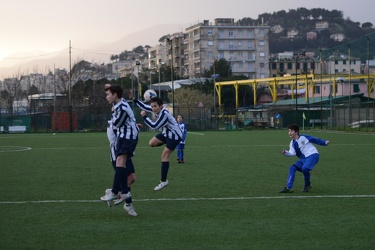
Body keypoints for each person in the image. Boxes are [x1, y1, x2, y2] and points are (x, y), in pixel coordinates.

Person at [129, 90, 182, 191]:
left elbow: (154, 126)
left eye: (155, 106)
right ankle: (169, 146)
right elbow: (145, 107)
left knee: (164, 156)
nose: (153, 108)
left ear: (161, 106)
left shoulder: (164, 114)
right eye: (152, 106)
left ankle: (163, 181)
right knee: (151, 143)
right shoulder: (156, 109)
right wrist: (134, 99)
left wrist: (144, 117)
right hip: (167, 133)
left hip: (174, 136)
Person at [100, 85, 140, 208]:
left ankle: (115, 192)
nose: (106, 97)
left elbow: (117, 123)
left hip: (128, 137)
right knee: (120, 164)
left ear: (115, 95)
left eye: (108, 94)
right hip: (125, 136)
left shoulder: (121, 107)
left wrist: (113, 120)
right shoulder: (118, 105)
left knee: (120, 162)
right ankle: (121, 193)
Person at [279, 124, 330, 193]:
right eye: (289, 131)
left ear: (296, 132)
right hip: (304, 159)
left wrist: (324, 142)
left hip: (313, 155)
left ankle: (307, 185)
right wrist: (285, 153)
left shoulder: (303, 137)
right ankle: (289, 188)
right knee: (292, 168)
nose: (289, 133)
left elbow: (314, 139)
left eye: (291, 131)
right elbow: (292, 153)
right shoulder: (292, 143)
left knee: (305, 168)